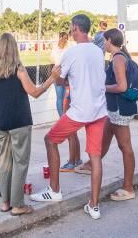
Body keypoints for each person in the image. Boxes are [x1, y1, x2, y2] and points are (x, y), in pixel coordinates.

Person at [31, 14, 108, 221]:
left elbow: (59, 81)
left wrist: (56, 78)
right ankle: (94, 205)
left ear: (75, 28)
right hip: (99, 111)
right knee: (95, 157)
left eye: (71, 28)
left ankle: (54, 190)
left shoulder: (71, 52)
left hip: (80, 111)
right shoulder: (98, 51)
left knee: (50, 140)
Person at [0, 33, 57, 216]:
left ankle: (5, 202)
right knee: (20, 163)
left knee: (4, 163)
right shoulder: (18, 69)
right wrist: (51, 79)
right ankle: (18, 205)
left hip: (0, 122)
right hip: (19, 121)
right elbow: (34, 92)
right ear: (14, 49)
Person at [97, 28, 137, 201]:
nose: (103, 44)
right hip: (115, 108)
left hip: (119, 108)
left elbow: (121, 86)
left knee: (125, 147)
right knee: (104, 138)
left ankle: (128, 188)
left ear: (109, 40)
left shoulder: (118, 59)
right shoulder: (120, 56)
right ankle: (92, 164)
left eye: (104, 40)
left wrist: (103, 88)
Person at [51, 31, 83, 171]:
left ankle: (71, 161)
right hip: (73, 95)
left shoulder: (68, 56)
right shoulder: (75, 55)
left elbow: (59, 81)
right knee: (73, 132)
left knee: (70, 132)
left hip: (70, 96)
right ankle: (76, 159)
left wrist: (56, 75)